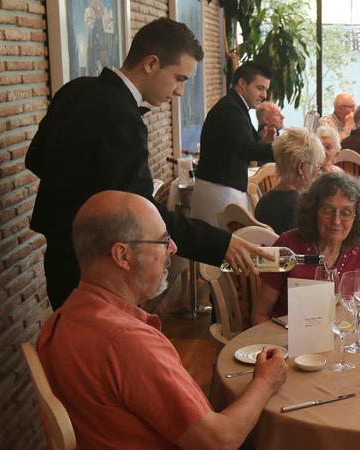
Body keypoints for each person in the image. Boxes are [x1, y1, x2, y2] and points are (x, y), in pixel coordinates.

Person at [37, 191, 295, 450]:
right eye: (162, 241)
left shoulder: (63, 319)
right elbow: (218, 442)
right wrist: (266, 381)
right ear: (123, 256)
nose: (172, 248)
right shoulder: (126, 342)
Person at [26, 18, 269, 310]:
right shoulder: (123, 120)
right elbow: (143, 217)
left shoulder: (74, 90)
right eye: (179, 78)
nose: (180, 91)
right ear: (151, 63)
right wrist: (222, 244)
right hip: (97, 269)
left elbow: (36, 159)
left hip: (58, 257)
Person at [253, 173, 360, 323]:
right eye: (327, 210)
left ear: (357, 217)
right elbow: (259, 315)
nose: (336, 221)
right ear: (313, 212)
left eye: (346, 212)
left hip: (344, 339)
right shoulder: (288, 246)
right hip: (288, 338)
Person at [192, 62, 276, 225]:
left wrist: (264, 142)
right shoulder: (229, 110)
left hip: (223, 189)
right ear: (242, 83)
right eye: (260, 88)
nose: (264, 95)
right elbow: (247, 149)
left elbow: (245, 143)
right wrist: (283, 150)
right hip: (218, 192)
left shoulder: (236, 106)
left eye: (265, 89)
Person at [255, 128, 325, 234]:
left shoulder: (263, 201)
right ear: (301, 168)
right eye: (318, 166)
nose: (319, 172)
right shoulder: (303, 207)